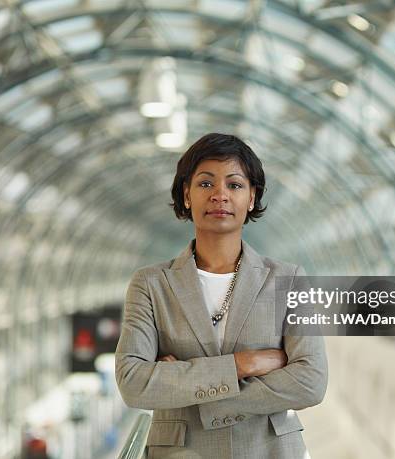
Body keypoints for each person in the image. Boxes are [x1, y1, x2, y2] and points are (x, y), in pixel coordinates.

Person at [115, 133, 328, 458]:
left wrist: (181, 383)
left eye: (235, 185)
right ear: (186, 195)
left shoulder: (289, 279)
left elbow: (310, 381)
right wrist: (246, 363)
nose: (220, 195)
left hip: (268, 451)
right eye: (205, 184)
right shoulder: (150, 284)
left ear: (252, 197)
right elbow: (133, 382)